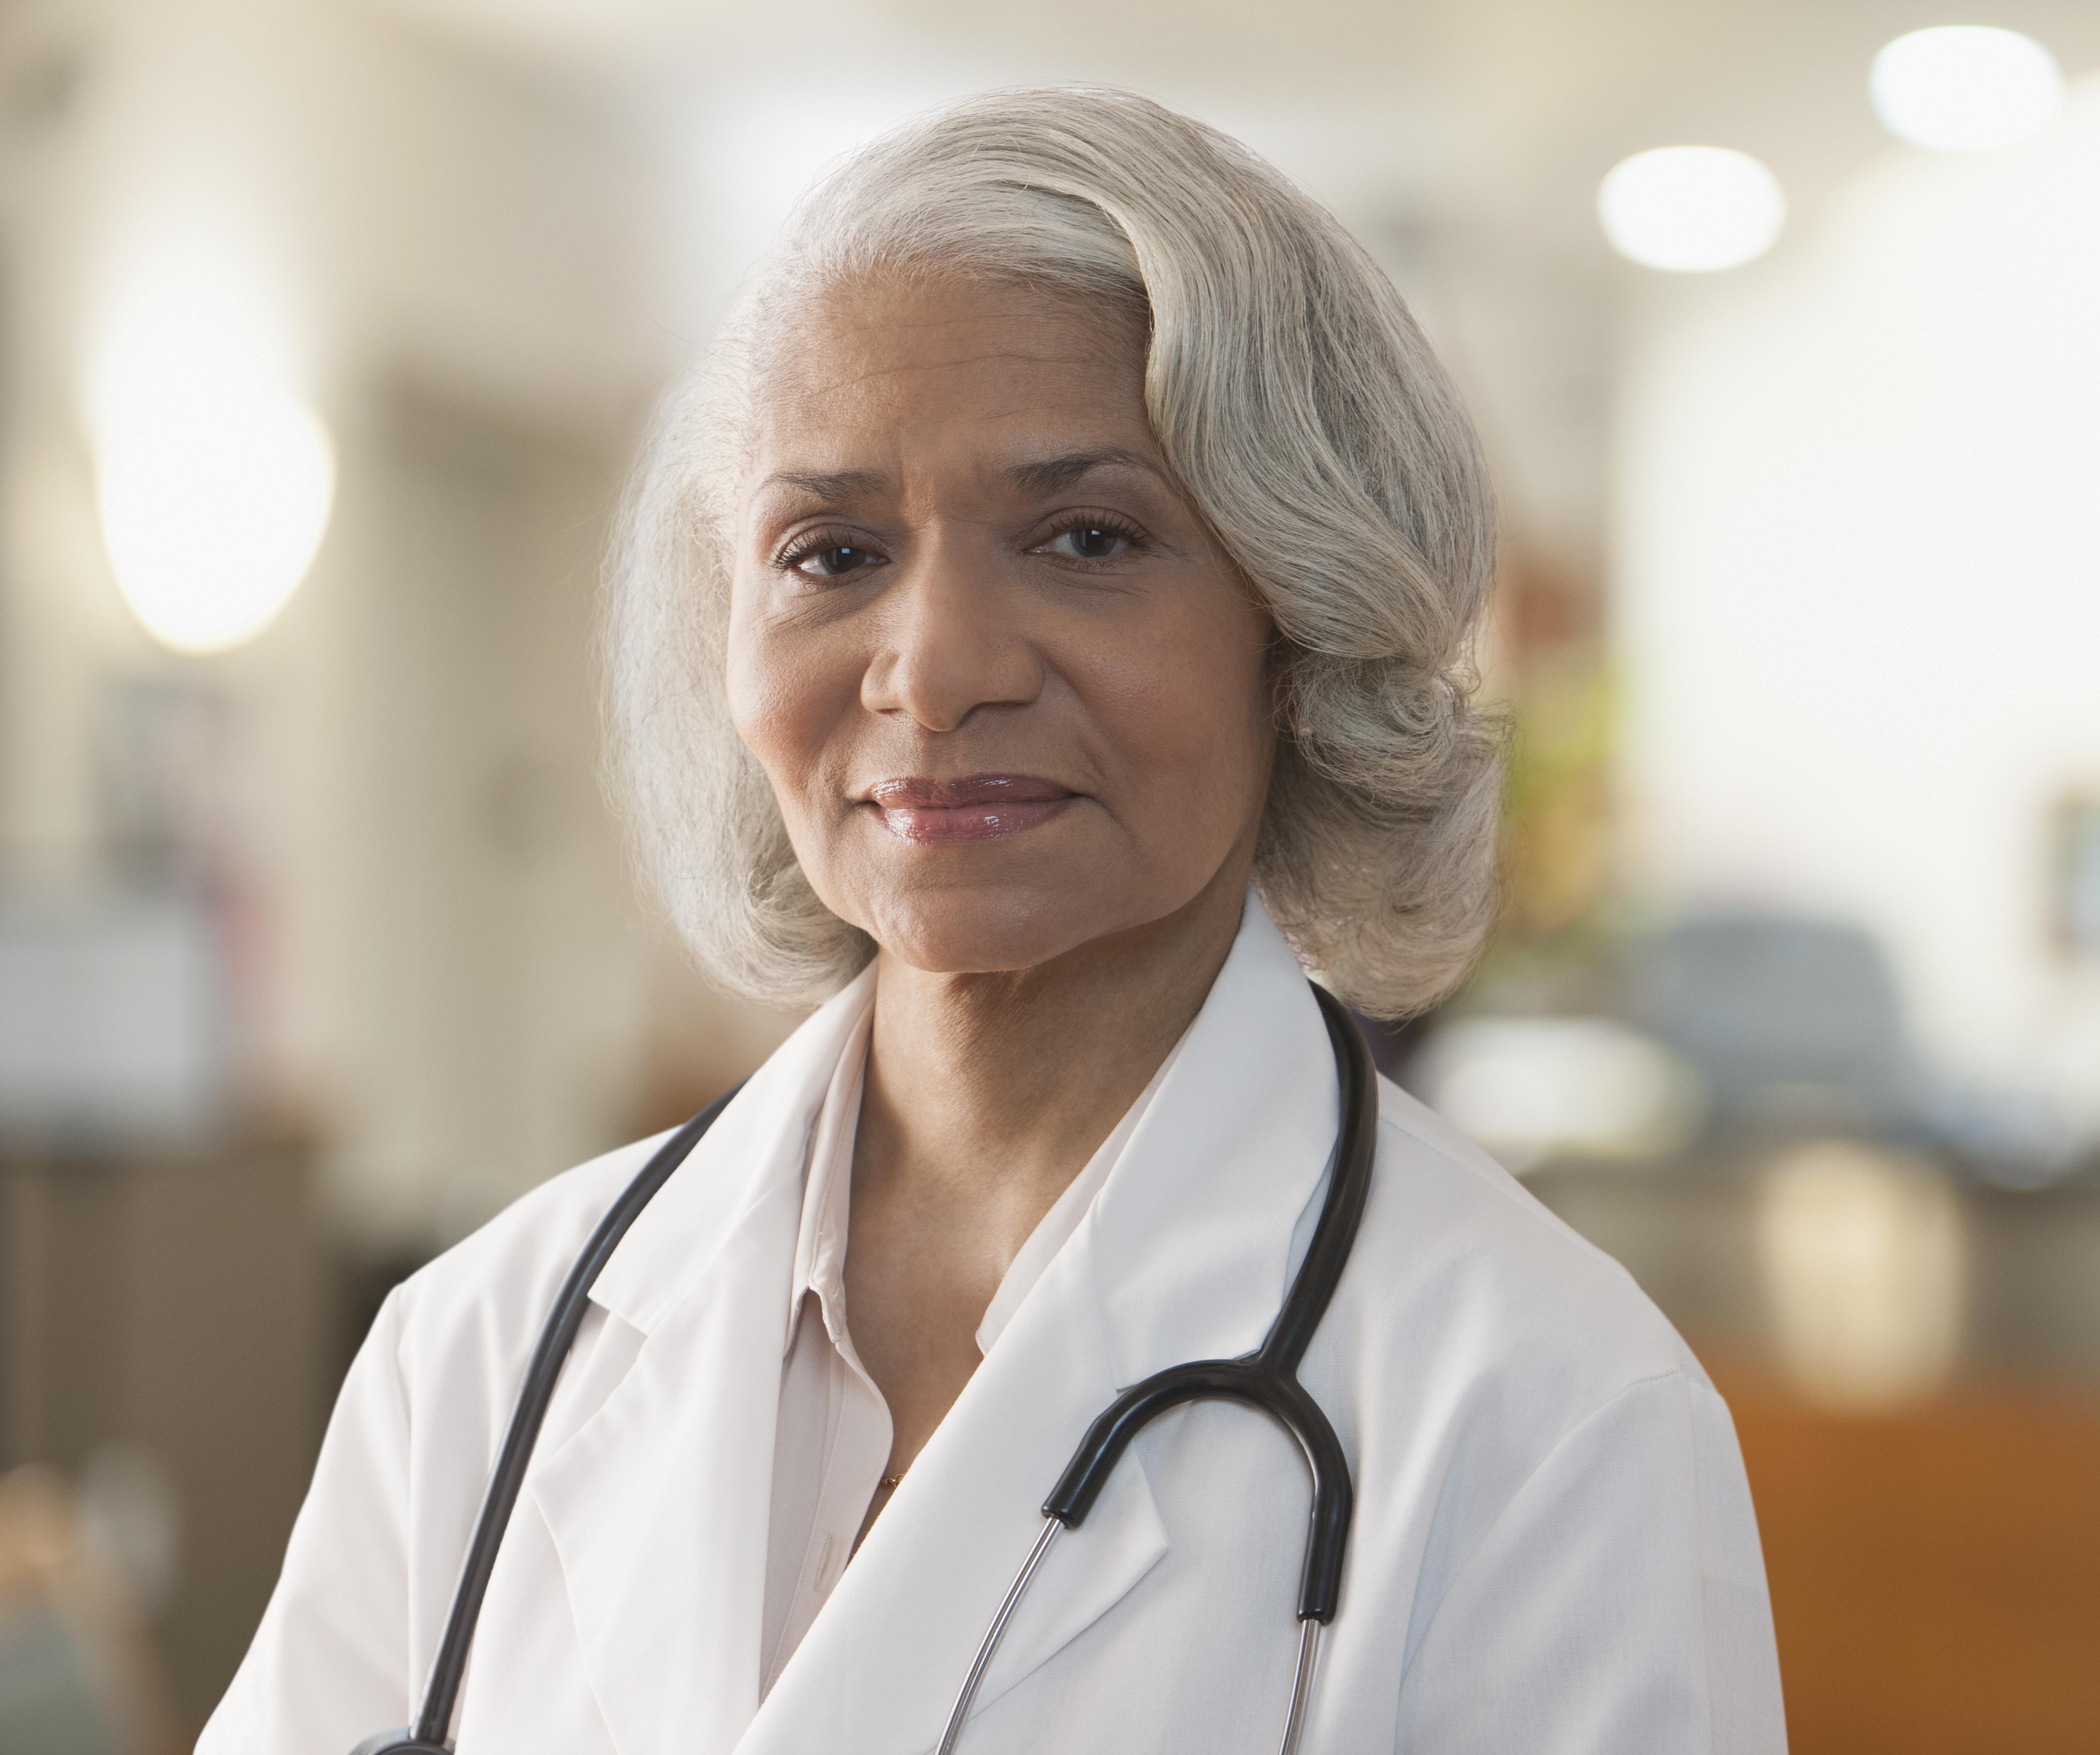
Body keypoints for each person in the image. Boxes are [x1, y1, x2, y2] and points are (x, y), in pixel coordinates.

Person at [201, 86, 1784, 1755]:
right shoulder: (486, 1346)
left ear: (1300, 622)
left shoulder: (1550, 1416)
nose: (939, 666)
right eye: (832, 551)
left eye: (1087, 536)